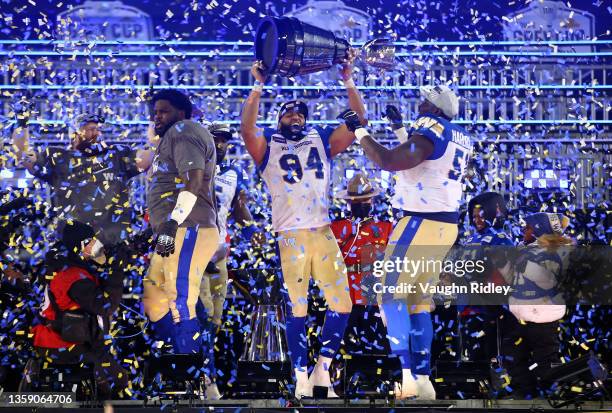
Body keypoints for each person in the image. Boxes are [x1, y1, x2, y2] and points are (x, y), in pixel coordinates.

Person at [240, 54, 366, 398]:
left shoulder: (320, 138)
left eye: (300, 113)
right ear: (278, 118)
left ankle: (322, 369)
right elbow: (246, 129)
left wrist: (348, 79)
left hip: (322, 231)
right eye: (288, 112)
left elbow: (358, 122)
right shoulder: (266, 143)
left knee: (343, 304)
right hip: (291, 235)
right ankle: (299, 375)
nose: (295, 116)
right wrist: (258, 85)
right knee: (298, 307)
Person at [340, 84, 473, 399]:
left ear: (436, 108)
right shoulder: (460, 136)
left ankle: (408, 376)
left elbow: (390, 161)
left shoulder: (432, 125)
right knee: (418, 304)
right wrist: (400, 130)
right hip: (444, 227)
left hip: (419, 224)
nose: (420, 107)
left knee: (389, 297)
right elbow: (421, 170)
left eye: (425, 102)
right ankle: (423, 380)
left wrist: (359, 132)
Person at [11, 112, 155, 254]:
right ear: (75, 133)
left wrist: (155, 117)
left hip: (112, 247)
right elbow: (23, 156)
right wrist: (22, 121)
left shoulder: (116, 155)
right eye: (91, 129)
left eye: (98, 129)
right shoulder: (58, 158)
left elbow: (150, 156)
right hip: (71, 248)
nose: (97, 134)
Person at [143, 89, 219, 355]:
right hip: (175, 228)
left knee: (181, 299)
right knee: (154, 298)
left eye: (163, 111)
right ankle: (180, 354)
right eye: (155, 113)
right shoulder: (172, 137)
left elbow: (194, 180)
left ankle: (195, 369)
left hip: (188, 227)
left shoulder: (183, 129)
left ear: (182, 112)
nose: (157, 117)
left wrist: (172, 223)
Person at [195, 123, 261, 399]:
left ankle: (206, 375)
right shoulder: (190, 170)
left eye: (223, 141)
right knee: (202, 317)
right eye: (214, 139)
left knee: (216, 319)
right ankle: (203, 378)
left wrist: (253, 232)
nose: (219, 145)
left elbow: (238, 208)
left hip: (220, 254)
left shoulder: (234, 173)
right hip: (193, 252)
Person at [30, 220, 130, 399]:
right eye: (91, 240)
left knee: (117, 376)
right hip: (60, 343)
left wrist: (113, 261)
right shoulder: (72, 276)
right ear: (81, 245)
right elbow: (105, 305)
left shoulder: (69, 267)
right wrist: (117, 269)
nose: (96, 244)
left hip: (73, 339)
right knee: (115, 382)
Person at [502, 212, 572, 399]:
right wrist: (504, 264)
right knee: (515, 358)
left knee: (547, 360)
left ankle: (558, 394)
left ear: (539, 230)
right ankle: (524, 394)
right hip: (521, 318)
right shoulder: (524, 249)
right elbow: (512, 280)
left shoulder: (556, 251)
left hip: (543, 320)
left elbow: (548, 281)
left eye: (529, 227)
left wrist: (523, 264)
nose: (524, 230)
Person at [331, 173, 392, 354]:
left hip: (374, 298)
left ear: (372, 202)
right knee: (346, 349)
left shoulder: (385, 228)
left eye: (365, 200)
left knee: (378, 349)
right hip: (345, 296)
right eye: (357, 201)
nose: (362, 205)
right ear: (349, 203)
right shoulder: (337, 228)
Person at [459, 192, 515, 363]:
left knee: (489, 352)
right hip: (469, 307)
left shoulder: (501, 239)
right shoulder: (473, 238)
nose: (477, 220)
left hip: (491, 309)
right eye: (474, 216)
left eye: (481, 216)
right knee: (473, 352)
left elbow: (508, 274)